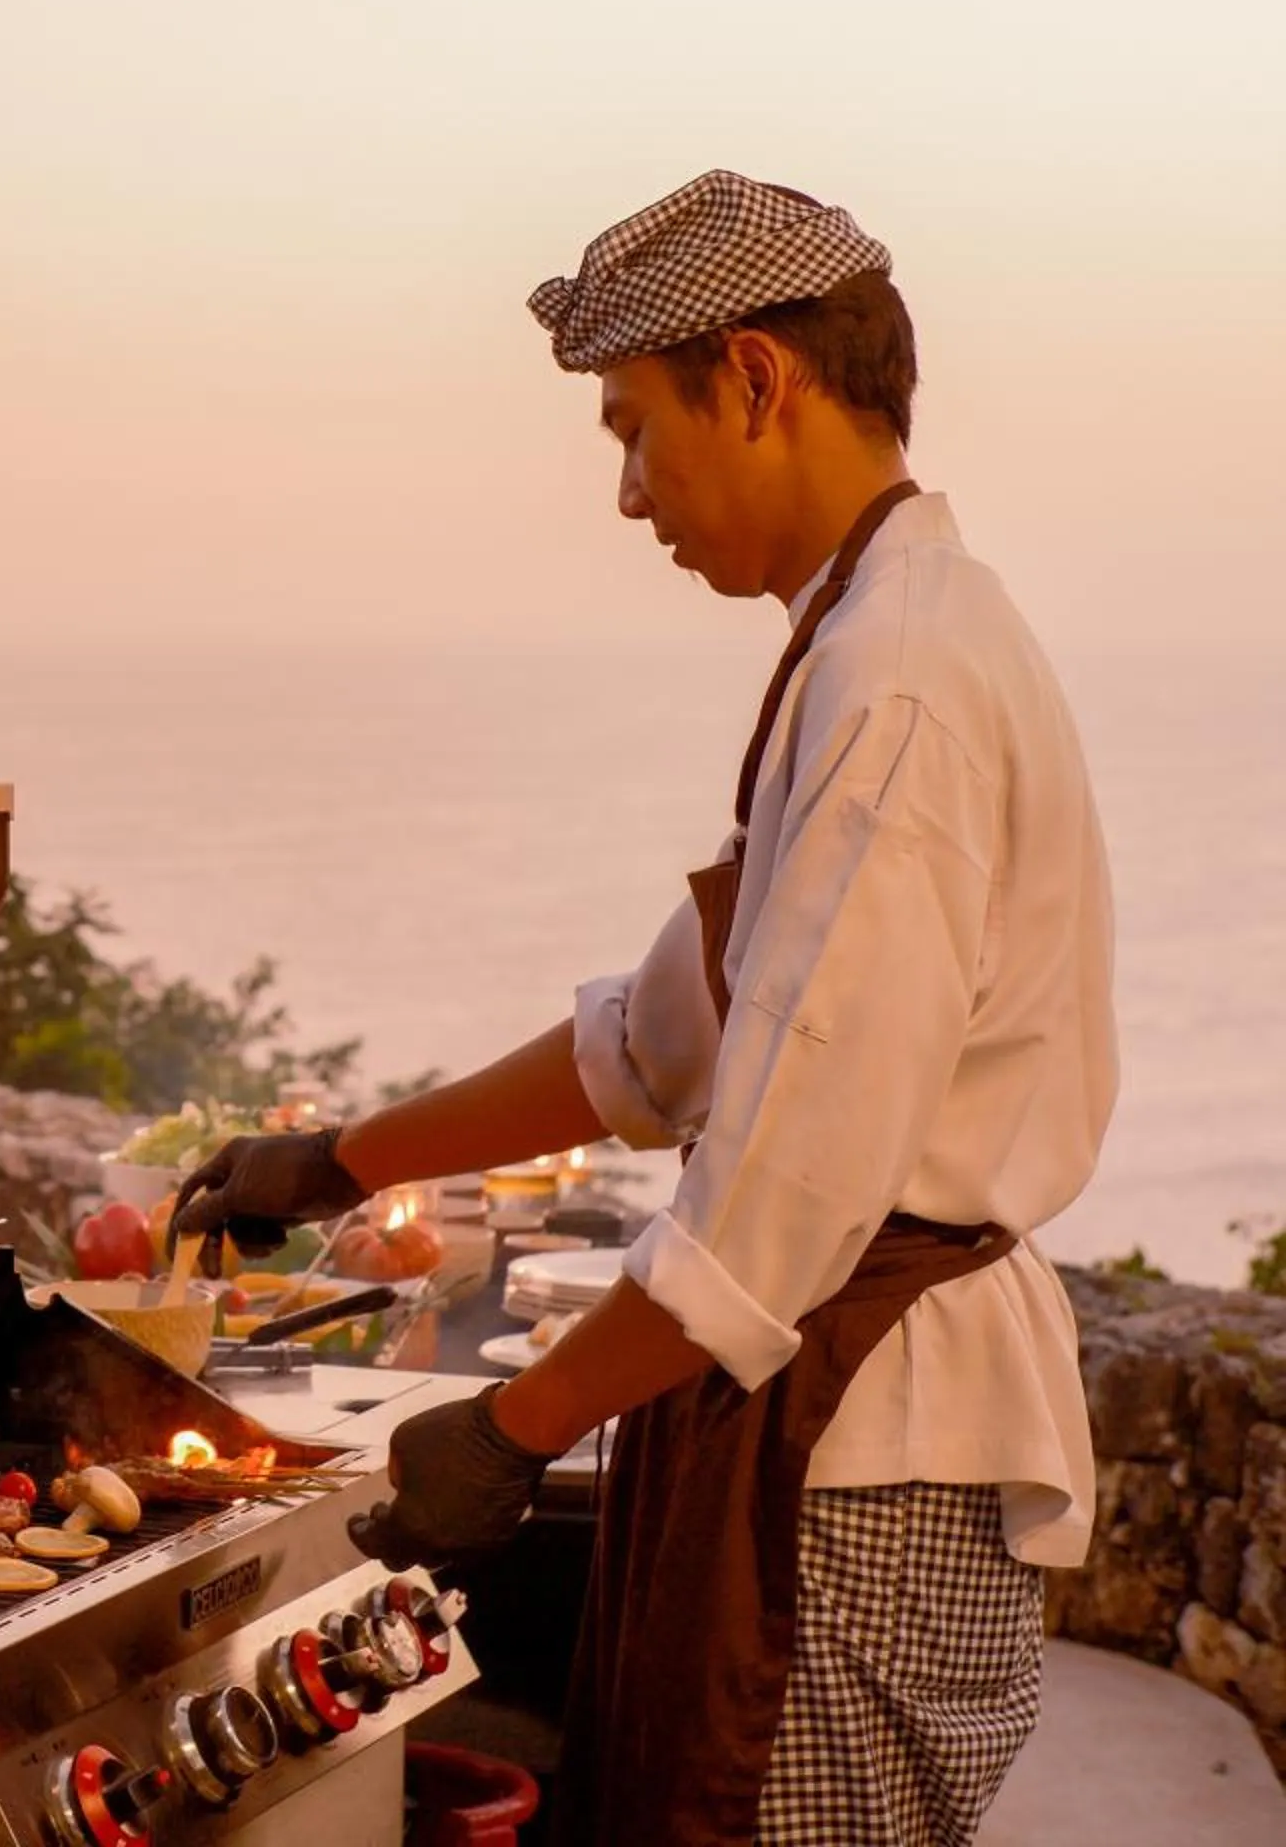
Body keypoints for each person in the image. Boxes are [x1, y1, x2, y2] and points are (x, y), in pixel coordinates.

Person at [172, 171, 1115, 1845]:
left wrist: (510, 1430)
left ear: (758, 379)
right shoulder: (861, 647)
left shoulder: (898, 678)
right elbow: (662, 1040)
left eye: (631, 429)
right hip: (820, 1432)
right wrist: (337, 1155)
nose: (627, 496)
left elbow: (788, 1191)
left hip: (864, 1457)